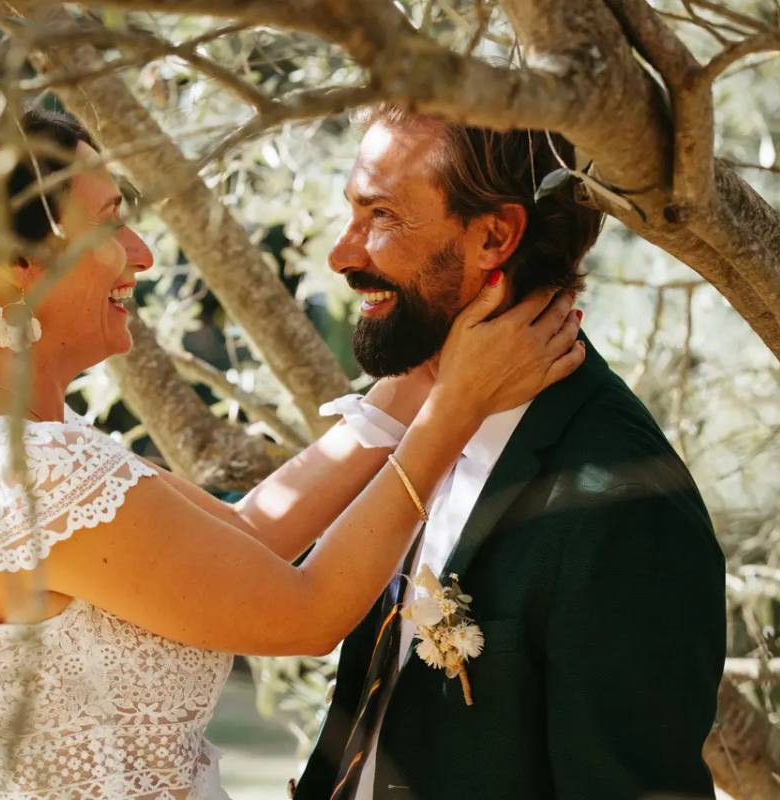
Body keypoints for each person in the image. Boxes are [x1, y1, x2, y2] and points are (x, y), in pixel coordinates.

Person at [0, 107, 584, 799]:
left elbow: (246, 536)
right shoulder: (31, 473)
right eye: (110, 223)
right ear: (12, 270)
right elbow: (306, 610)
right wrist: (454, 408)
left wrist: (415, 375)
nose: (143, 254)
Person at [292, 107, 727, 800]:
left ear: (495, 236)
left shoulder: (622, 505)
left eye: (380, 216)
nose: (342, 253)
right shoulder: (415, 418)